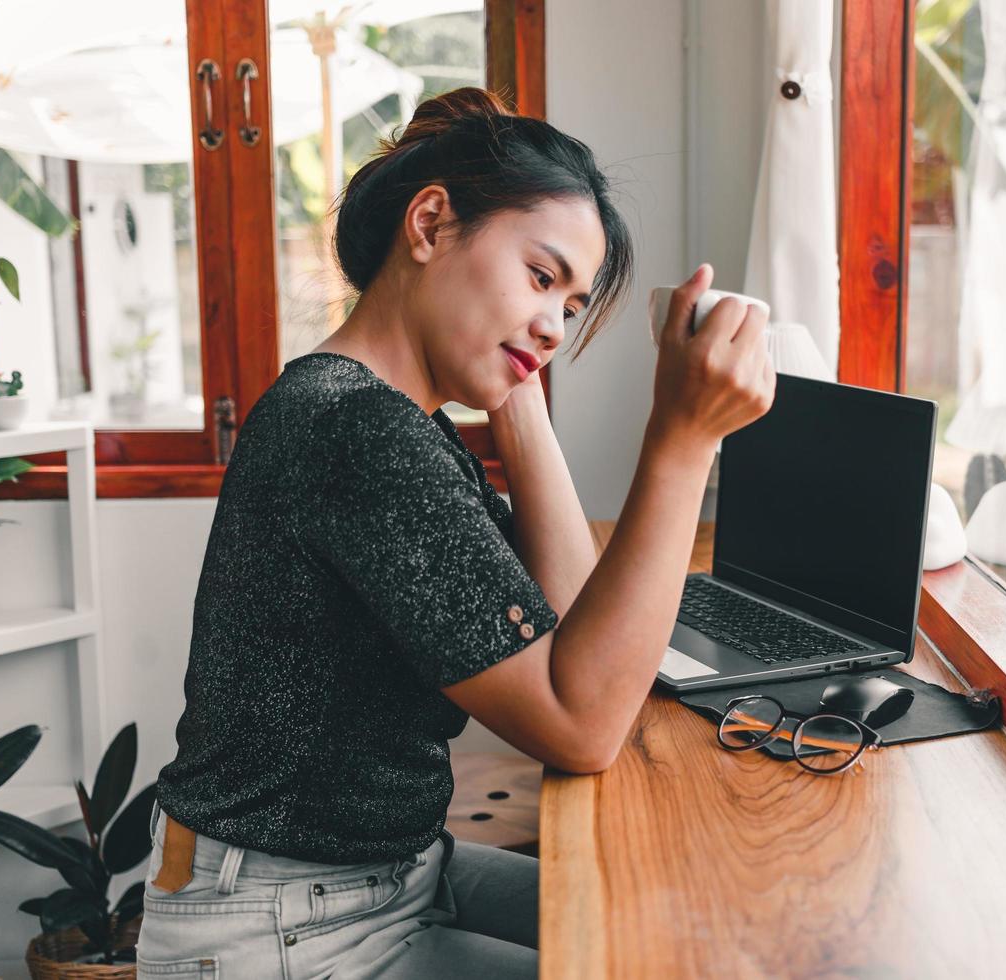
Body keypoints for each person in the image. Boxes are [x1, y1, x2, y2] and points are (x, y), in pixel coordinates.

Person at [136, 87, 775, 978]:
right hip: (279, 926)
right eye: (542, 277)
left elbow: (579, 625)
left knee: (684, 926)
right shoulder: (357, 432)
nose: (556, 325)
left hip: (380, 878)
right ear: (430, 224)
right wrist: (684, 441)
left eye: (573, 306)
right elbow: (584, 723)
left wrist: (515, 393)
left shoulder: (386, 415)